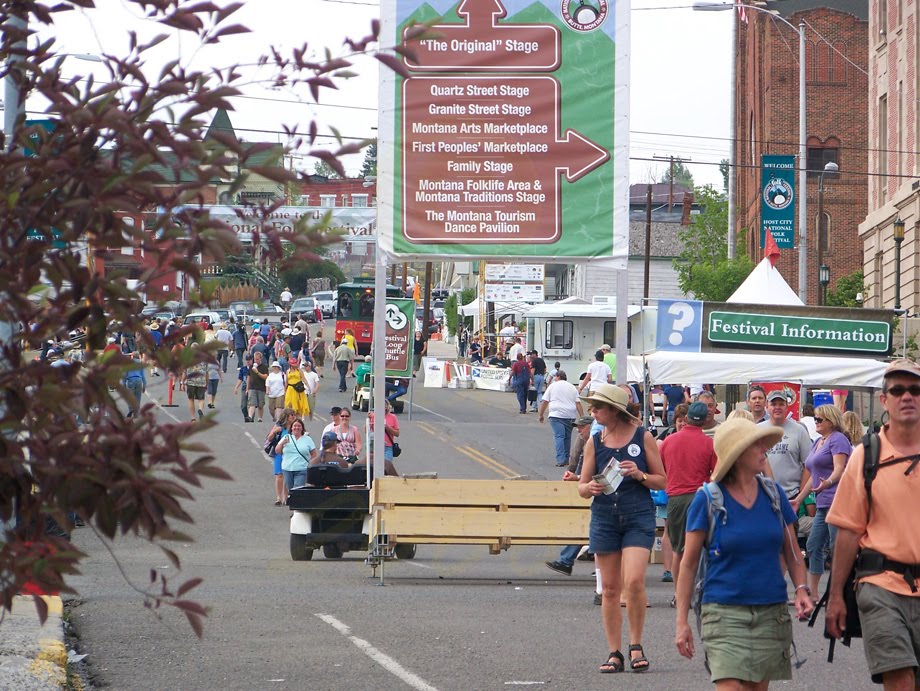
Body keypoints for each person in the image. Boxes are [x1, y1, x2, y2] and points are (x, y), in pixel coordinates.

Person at [674, 418, 813, 688]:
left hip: (770, 612)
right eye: (756, 445)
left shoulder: (774, 495)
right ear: (737, 455)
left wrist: (801, 589)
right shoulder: (707, 499)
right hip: (723, 613)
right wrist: (682, 622)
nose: (765, 449)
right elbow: (688, 565)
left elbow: (793, 552)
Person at [826, 358, 920, 689]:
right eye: (897, 390)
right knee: (900, 677)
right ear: (885, 400)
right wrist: (836, 595)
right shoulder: (867, 455)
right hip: (880, 585)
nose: (907, 397)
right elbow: (848, 529)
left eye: (915, 390)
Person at [577, 384, 666, 673]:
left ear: (615, 410)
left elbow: (662, 480)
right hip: (604, 518)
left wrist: (639, 474)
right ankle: (614, 652)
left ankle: (636, 644)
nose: (593, 411)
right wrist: (588, 487)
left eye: (598, 407)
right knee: (611, 589)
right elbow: (582, 485)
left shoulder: (644, 437)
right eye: (592, 407)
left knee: (635, 581)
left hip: (638, 516)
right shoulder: (595, 441)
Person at [659, 401, 717, 607]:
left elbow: (662, 468)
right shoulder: (709, 444)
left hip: (676, 498)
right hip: (702, 497)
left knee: (678, 550)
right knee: (704, 548)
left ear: (688, 417)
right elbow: (715, 474)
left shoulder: (669, 441)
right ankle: (703, 591)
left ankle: (679, 594)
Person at [795, 404, 851, 598]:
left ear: (831, 421)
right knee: (813, 545)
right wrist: (799, 498)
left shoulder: (838, 440)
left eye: (819, 419)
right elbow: (813, 475)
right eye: (815, 419)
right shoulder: (818, 441)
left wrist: (828, 482)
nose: (816, 422)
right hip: (823, 503)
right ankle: (814, 593)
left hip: (838, 501)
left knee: (838, 549)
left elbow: (840, 468)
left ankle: (839, 593)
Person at [546, 414, 595, 576]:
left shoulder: (598, 441)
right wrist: (570, 473)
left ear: (591, 426)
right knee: (583, 525)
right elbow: (574, 458)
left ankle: (568, 561)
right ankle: (568, 560)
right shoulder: (584, 440)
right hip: (584, 490)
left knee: (585, 526)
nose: (579, 429)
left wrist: (577, 477)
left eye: (582, 426)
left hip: (594, 491)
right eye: (578, 427)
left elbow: (601, 472)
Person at [758, 390, 811, 503]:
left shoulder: (799, 430)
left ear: (787, 406)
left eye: (781, 404)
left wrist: (801, 493)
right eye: (773, 404)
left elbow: (809, 464)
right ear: (767, 406)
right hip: (763, 495)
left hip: (792, 495)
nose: (777, 407)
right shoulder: (757, 430)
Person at [538, 370, 583, 467]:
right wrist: (582, 417)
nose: (554, 378)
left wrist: (541, 414)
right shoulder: (572, 387)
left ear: (558, 376)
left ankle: (560, 459)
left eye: (555, 377)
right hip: (570, 415)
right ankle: (566, 459)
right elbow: (578, 403)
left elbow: (545, 401)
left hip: (556, 414)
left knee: (559, 436)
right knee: (567, 437)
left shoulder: (553, 386)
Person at [274, 418, 316, 491]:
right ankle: (292, 501)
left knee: (297, 489)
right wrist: (282, 443)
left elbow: (313, 454)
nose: (296, 428)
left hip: (302, 469)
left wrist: (311, 465)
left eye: (299, 426)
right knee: (290, 489)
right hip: (287, 468)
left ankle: (296, 501)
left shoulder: (307, 439)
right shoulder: (286, 437)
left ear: (302, 428)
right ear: (291, 428)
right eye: (295, 426)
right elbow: (277, 451)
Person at [266, 409, 293, 505]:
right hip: (279, 453)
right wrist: (274, 432)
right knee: (279, 475)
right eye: (291, 415)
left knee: (287, 475)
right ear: (286, 416)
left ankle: (286, 497)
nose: (293, 417)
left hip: (291, 454)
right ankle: (278, 497)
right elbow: (269, 438)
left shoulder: (295, 426)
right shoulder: (279, 426)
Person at [247, 350, 269, 423]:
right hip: (252, 387)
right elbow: (249, 378)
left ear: (260, 359)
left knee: (260, 405)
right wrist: (247, 388)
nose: (256, 361)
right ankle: (250, 417)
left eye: (257, 359)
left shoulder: (264, 367)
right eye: (255, 359)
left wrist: (257, 372)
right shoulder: (251, 367)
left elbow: (266, 377)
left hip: (261, 388)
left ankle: (260, 418)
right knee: (252, 403)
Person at [123, 351, 146, 418]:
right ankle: (136, 413)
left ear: (132, 356)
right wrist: (144, 385)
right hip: (139, 380)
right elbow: (143, 376)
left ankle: (131, 409)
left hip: (131, 380)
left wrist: (123, 384)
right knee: (138, 397)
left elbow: (125, 374)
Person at [234, 353, 252, 422]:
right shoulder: (243, 369)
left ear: (252, 360)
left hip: (252, 388)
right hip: (244, 387)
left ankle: (250, 417)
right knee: (243, 405)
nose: (248, 361)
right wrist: (236, 387)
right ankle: (246, 416)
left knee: (251, 404)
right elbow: (240, 379)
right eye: (247, 360)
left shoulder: (253, 368)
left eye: (249, 359)